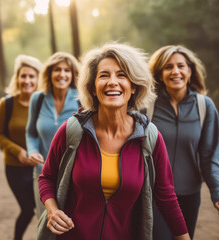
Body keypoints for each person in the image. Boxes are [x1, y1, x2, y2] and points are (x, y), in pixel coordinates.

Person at [37, 43, 190, 240]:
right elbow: (46, 177)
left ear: (133, 86)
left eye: (122, 75)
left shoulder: (150, 137)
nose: (112, 82)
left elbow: (167, 198)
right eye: (104, 75)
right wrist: (52, 210)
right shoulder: (71, 130)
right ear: (93, 88)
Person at [148, 45, 219, 239]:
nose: (175, 71)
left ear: (189, 71)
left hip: (189, 194)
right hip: (154, 195)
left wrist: (218, 193)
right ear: (160, 75)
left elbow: (210, 157)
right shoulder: (147, 106)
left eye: (181, 66)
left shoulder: (205, 106)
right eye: (168, 67)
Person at [26, 52, 81, 218]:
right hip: (42, 173)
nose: (62, 74)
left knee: (70, 224)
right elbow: (31, 132)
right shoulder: (38, 99)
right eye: (57, 69)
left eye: (67, 70)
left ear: (73, 75)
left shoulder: (81, 100)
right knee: (45, 222)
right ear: (49, 73)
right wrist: (32, 151)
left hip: (73, 176)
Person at [0, 54, 42, 240]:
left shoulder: (44, 105)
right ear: (17, 78)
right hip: (15, 168)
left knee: (43, 210)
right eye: (23, 76)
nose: (27, 80)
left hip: (39, 168)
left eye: (31, 76)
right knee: (28, 209)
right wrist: (18, 151)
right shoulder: (7, 104)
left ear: (38, 79)